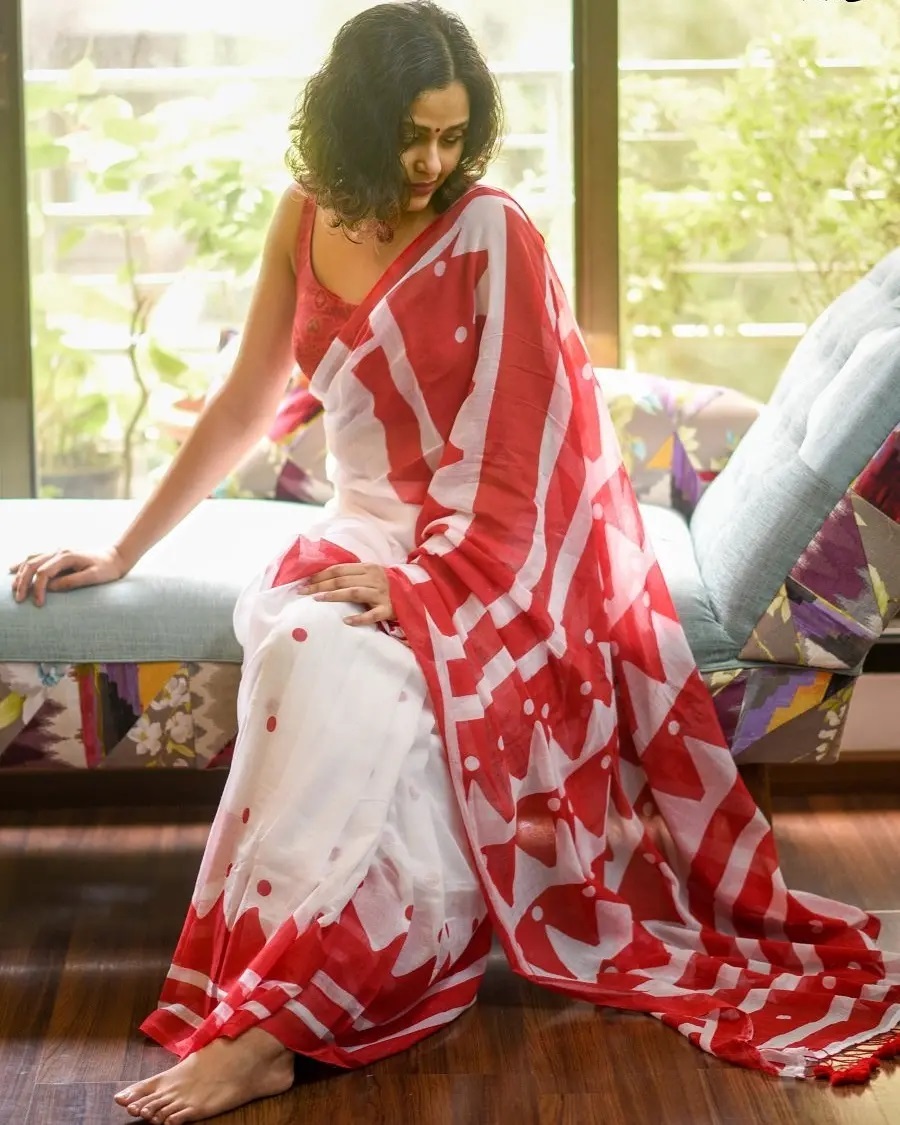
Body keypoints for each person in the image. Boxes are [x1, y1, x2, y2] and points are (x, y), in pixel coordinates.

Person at [10, 3, 900, 1123]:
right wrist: (121, 545)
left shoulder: (491, 231)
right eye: (410, 136)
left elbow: (525, 462)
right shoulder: (303, 218)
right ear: (353, 121)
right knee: (300, 644)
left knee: (378, 690)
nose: (433, 161)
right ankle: (292, 999)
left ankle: (277, 1026)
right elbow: (244, 404)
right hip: (355, 531)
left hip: (491, 555)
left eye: (452, 136)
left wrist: (429, 589)